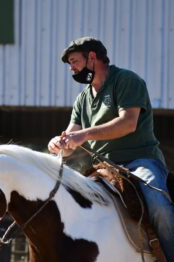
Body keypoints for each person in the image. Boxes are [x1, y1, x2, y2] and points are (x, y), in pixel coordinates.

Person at [48, 37, 174, 261]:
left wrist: (84, 134)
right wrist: (59, 144)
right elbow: (70, 141)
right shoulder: (82, 99)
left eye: (75, 61)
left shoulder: (126, 80)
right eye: (69, 64)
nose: (72, 68)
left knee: (159, 206)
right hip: (102, 169)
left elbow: (128, 123)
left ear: (92, 57)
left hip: (140, 162)